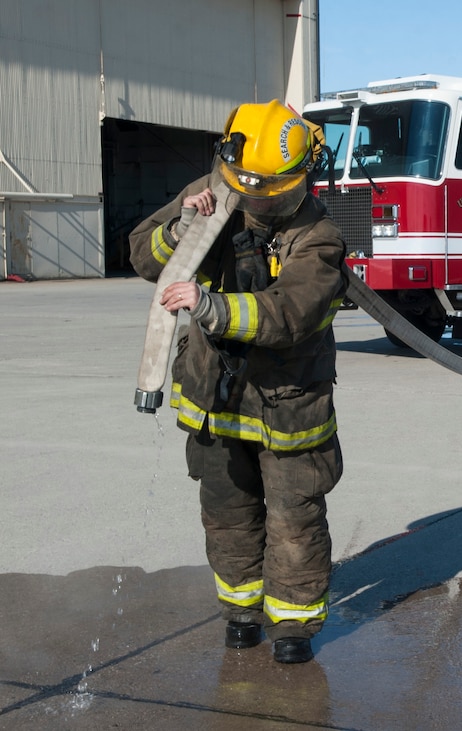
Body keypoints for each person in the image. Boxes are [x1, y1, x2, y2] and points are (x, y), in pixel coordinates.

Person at [129, 100, 347, 664]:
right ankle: (241, 615)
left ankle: (293, 627)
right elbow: (142, 254)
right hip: (215, 399)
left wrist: (211, 307)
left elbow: (290, 313)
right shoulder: (212, 192)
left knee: (293, 518)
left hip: (287, 406)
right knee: (226, 513)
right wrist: (183, 226)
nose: (255, 199)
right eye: (245, 185)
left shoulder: (317, 234)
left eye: (271, 189)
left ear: (301, 177)